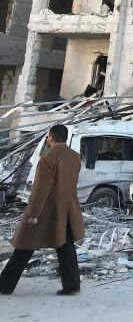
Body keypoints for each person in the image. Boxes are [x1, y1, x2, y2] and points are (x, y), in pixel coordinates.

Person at [0, 124, 84, 296]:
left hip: (47, 211)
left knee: (24, 246)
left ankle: (4, 286)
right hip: (67, 209)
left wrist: (33, 214)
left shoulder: (47, 158)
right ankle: (72, 285)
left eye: (48, 138)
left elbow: (40, 190)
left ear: (51, 138)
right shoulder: (75, 157)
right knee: (66, 247)